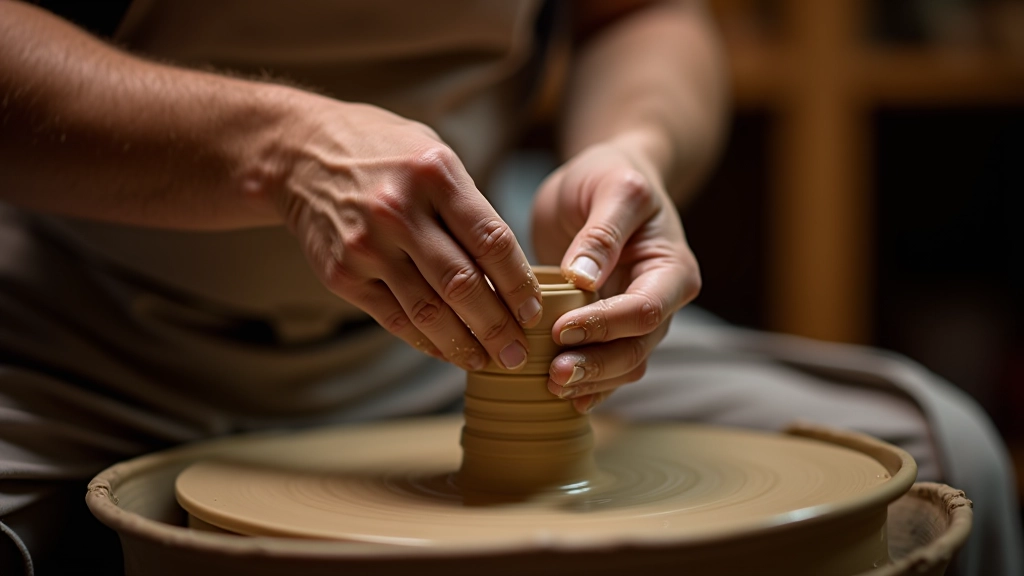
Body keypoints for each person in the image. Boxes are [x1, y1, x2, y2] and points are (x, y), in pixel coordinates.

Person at [0, 1, 1019, 575]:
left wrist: (633, 145)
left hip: (443, 339)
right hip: (70, 331)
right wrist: (278, 147)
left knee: (947, 450)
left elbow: (647, 17)